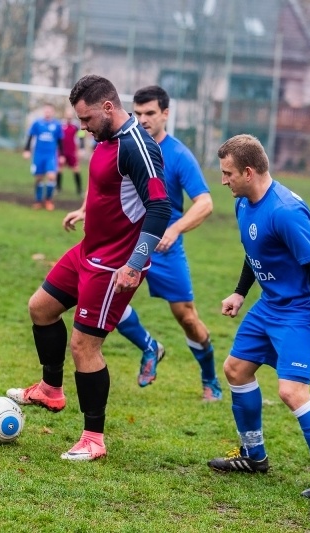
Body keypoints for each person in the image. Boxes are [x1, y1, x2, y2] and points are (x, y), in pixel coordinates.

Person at [6, 75, 171, 461]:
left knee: (84, 346)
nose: (83, 127)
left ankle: (94, 439)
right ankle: (51, 389)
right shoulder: (106, 138)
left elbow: (160, 207)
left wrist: (134, 263)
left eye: (86, 119)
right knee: (41, 308)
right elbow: (110, 187)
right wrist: (86, 209)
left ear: (109, 108)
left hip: (114, 265)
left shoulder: (138, 146)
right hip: (88, 251)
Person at [207, 134, 310, 498]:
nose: (224, 180)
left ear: (249, 172)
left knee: (292, 390)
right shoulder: (244, 202)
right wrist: (240, 292)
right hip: (271, 304)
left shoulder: (285, 210)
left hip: (303, 308)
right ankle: (254, 456)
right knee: (236, 369)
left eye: (228, 173)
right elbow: (256, 251)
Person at [62, 85, 221, 401]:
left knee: (186, 317)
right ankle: (149, 346)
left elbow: (205, 203)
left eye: (151, 113)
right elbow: (106, 184)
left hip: (163, 246)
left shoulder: (178, 155)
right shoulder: (120, 142)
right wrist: (84, 209)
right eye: (139, 113)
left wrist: (174, 230)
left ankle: (210, 379)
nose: (144, 119)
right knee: (102, 302)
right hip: (122, 246)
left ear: (166, 114)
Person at [23, 103, 64, 211]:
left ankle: (48, 200)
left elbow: (60, 141)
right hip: (38, 155)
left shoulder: (57, 125)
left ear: (52, 112)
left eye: (49, 111)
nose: (47, 113)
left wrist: (62, 155)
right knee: (39, 178)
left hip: (51, 155)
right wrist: (27, 150)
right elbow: (30, 136)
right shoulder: (37, 123)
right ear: (43, 112)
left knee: (51, 177)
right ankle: (38, 200)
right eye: (46, 111)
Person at [56, 109, 84, 195]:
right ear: (65, 115)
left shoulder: (76, 125)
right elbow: (58, 138)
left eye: (70, 115)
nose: (69, 117)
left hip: (72, 152)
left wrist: (81, 149)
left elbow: (81, 136)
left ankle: (79, 190)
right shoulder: (60, 125)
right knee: (59, 169)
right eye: (67, 115)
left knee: (76, 169)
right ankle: (58, 189)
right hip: (62, 151)